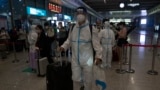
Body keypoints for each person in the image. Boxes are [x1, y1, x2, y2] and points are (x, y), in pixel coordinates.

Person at [58, 7, 102, 90]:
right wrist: (63, 47)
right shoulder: (73, 27)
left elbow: (97, 45)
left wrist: (98, 56)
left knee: (88, 80)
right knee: (75, 79)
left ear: (86, 15)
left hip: (87, 60)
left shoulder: (91, 28)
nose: (79, 15)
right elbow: (69, 40)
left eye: (81, 13)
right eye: (78, 13)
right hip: (75, 59)